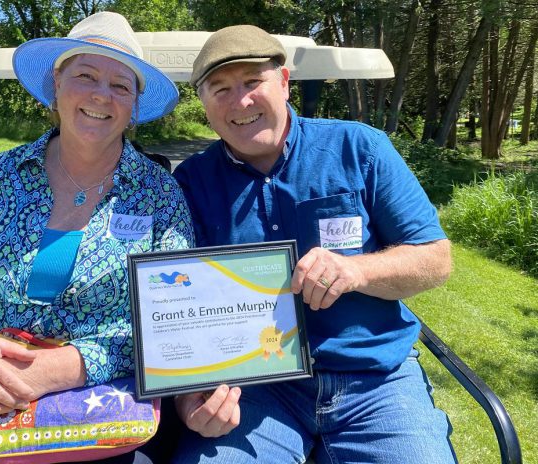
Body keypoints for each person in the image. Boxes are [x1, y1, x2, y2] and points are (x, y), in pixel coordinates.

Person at [171, 25, 456, 463]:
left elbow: (436, 259)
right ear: (204, 105)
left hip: (374, 380)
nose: (241, 101)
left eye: (253, 82)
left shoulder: (359, 147)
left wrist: (358, 270)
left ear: (284, 82)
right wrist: (188, 397)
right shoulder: (190, 182)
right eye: (220, 89)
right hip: (258, 391)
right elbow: (175, 305)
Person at [0, 10, 193, 444]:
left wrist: (54, 371)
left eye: (120, 85)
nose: (102, 95)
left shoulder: (160, 196)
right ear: (56, 86)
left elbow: (171, 321)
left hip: (102, 415)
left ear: (133, 108)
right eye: (86, 75)